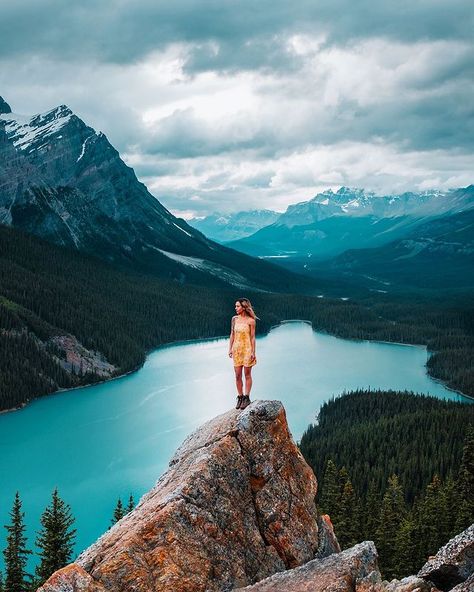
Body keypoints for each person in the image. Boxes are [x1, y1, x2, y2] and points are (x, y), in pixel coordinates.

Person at [228, 297, 258, 410]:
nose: (235, 308)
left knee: (247, 374)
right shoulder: (234, 319)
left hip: (247, 350)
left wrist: (253, 351)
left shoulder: (251, 321)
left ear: (244, 307)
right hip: (237, 349)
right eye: (235, 306)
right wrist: (230, 348)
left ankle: (246, 397)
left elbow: (252, 337)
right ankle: (240, 397)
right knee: (237, 375)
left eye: (238, 306)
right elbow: (232, 334)